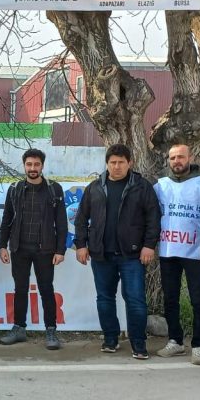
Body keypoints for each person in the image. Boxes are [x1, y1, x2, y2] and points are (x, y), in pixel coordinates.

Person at [74, 143, 161, 359]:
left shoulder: (142, 187)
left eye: (121, 162)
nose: (117, 166)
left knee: (136, 300)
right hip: (101, 254)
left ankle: (138, 344)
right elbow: (81, 219)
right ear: (106, 164)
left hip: (132, 255)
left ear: (130, 163)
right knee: (104, 298)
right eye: (113, 162)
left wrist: (149, 245)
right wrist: (82, 245)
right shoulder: (94, 187)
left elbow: (153, 218)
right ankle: (110, 339)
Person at [153, 144, 200, 365]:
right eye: (172, 158)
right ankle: (175, 341)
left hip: (196, 250)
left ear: (190, 158)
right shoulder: (161, 185)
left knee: (197, 298)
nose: (176, 161)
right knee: (170, 297)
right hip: (169, 249)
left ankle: (199, 345)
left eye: (181, 157)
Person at [0, 149, 69, 349]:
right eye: (29, 165)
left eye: (36, 165)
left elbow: (61, 223)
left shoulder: (54, 189)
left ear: (42, 166)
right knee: (20, 289)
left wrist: (60, 250)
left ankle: (51, 331)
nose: (33, 168)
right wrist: (3, 245)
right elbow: (7, 220)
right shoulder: (15, 189)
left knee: (46, 289)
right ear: (24, 166)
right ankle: (19, 328)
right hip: (19, 249)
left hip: (45, 250)